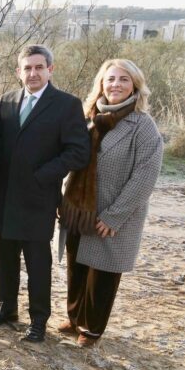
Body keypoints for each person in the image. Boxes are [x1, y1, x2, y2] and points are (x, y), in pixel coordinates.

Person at [0, 45, 89, 342]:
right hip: (5, 196)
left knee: (37, 265)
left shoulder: (66, 105)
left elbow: (79, 152)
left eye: (38, 67)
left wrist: (44, 174)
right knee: (5, 258)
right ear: (18, 72)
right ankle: (7, 310)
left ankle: (38, 320)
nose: (32, 73)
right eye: (27, 68)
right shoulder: (5, 102)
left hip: (40, 199)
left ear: (50, 70)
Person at [58, 59, 163, 347]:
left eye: (124, 79)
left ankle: (91, 329)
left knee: (102, 274)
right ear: (101, 84)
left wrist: (115, 216)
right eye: (110, 79)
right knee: (76, 267)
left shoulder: (142, 125)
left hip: (113, 213)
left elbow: (145, 175)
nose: (116, 84)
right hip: (79, 209)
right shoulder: (89, 117)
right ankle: (75, 316)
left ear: (135, 86)